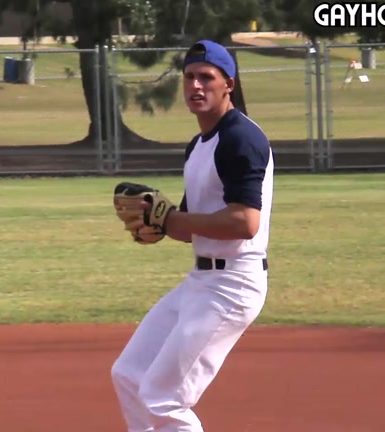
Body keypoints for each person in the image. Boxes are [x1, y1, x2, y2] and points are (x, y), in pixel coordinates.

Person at [109, 39, 275, 432]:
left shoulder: (241, 139)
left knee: (164, 398)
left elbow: (244, 222)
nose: (196, 86)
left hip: (233, 285)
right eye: (189, 77)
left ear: (228, 84)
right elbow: (186, 224)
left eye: (207, 77)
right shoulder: (200, 145)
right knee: (129, 374)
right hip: (202, 281)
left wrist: (172, 222)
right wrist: (156, 222)